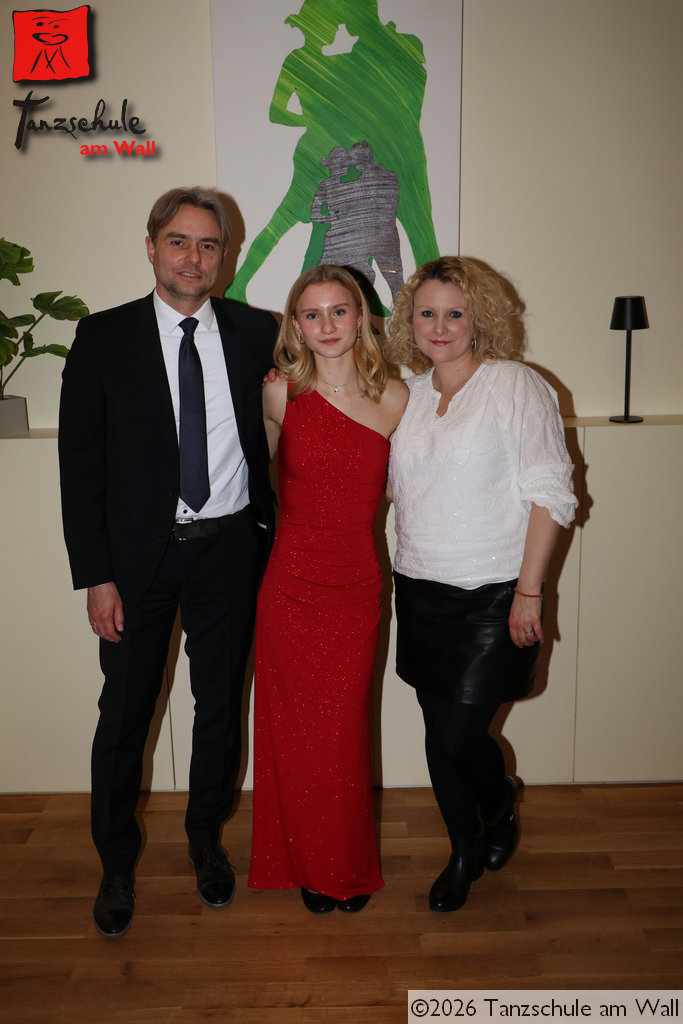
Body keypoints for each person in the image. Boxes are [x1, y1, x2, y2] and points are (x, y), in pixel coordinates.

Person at [58, 186, 277, 937]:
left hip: (229, 552)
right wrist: (96, 576)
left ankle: (205, 841)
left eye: (208, 244)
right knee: (123, 715)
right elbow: (80, 467)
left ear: (225, 256)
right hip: (133, 564)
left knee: (219, 709)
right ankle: (116, 864)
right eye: (178, 241)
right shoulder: (103, 336)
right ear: (151, 247)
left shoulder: (257, 332)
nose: (193, 257)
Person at [385, 257, 578, 912]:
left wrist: (530, 591)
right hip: (419, 587)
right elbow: (388, 486)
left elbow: (551, 492)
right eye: (427, 313)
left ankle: (497, 805)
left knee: (458, 738)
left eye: (454, 313)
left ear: (479, 321)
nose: (439, 327)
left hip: (493, 592)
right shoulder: (406, 396)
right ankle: (463, 848)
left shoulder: (515, 385)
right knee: (436, 729)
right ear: (410, 322)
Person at [249, 264, 407, 913]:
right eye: (311, 314)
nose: (327, 325)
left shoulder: (396, 397)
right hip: (289, 584)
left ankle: (346, 866)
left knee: (342, 732)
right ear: (296, 325)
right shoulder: (279, 394)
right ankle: (310, 869)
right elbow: (255, 476)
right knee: (295, 734)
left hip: (355, 584)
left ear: (360, 315)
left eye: (338, 310)